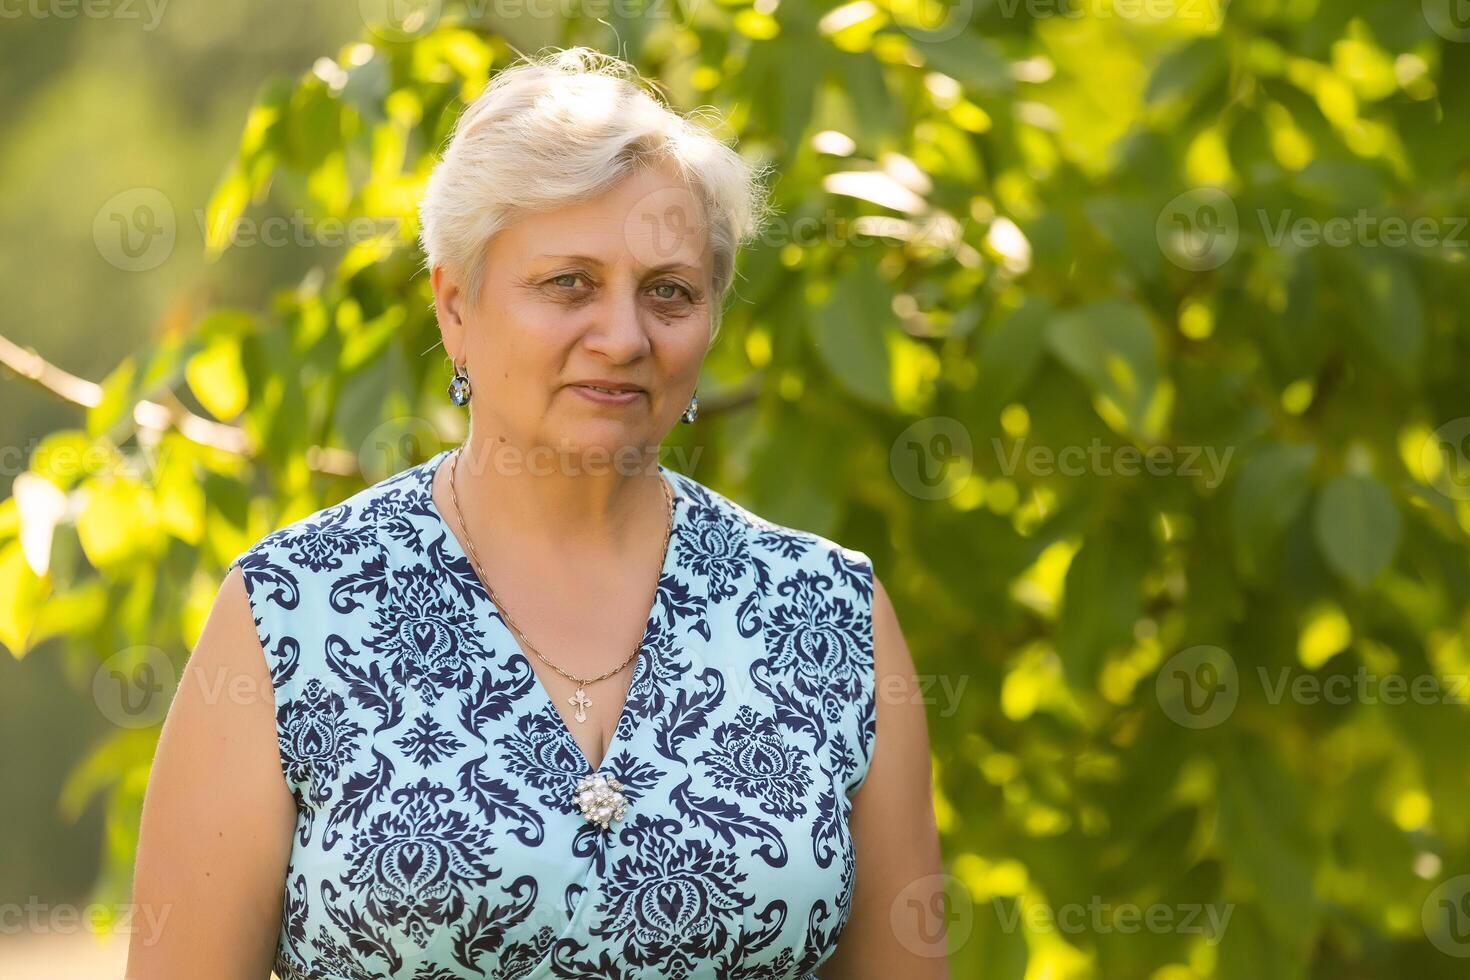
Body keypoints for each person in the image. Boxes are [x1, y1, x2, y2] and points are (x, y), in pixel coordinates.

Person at [127, 46, 946, 980]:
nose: (624, 336)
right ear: (454, 307)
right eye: (569, 283)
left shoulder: (830, 616)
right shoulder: (291, 616)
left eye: (669, 291)